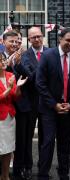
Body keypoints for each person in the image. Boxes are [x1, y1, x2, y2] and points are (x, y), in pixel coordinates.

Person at [36, 28, 70, 180]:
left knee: (65, 144)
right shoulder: (47, 56)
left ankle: (64, 174)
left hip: (68, 109)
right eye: (67, 40)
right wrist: (54, 104)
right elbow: (40, 83)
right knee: (48, 142)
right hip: (49, 109)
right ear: (59, 39)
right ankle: (43, 174)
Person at [12, 27, 48, 179]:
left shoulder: (51, 53)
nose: (36, 39)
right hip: (30, 103)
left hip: (47, 103)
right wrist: (22, 67)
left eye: (38, 36)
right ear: (29, 39)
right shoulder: (24, 56)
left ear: (43, 36)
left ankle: (43, 169)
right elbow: (30, 78)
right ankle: (27, 167)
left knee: (46, 139)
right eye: (33, 37)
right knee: (27, 138)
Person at [0, 52, 27, 180]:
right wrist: (9, 87)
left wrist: (18, 87)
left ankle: (5, 176)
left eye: (4, 60)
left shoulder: (10, 75)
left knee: (8, 148)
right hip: (0, 117)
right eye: (0, 61)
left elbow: (16, 97)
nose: (3, 62)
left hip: (10, 117)